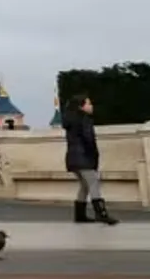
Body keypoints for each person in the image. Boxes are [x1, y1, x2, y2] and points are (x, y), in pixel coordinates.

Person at [64, 94, 118, 225]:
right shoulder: (84, 119)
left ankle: (80, 215)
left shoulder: (71, 121)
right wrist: (94, 157)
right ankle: (101, 214)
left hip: (72, 158)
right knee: (94, 182)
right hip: (84, 158)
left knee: (84, 185)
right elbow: (89, 140)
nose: (91, 106)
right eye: (88, 103)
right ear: (81, 107)